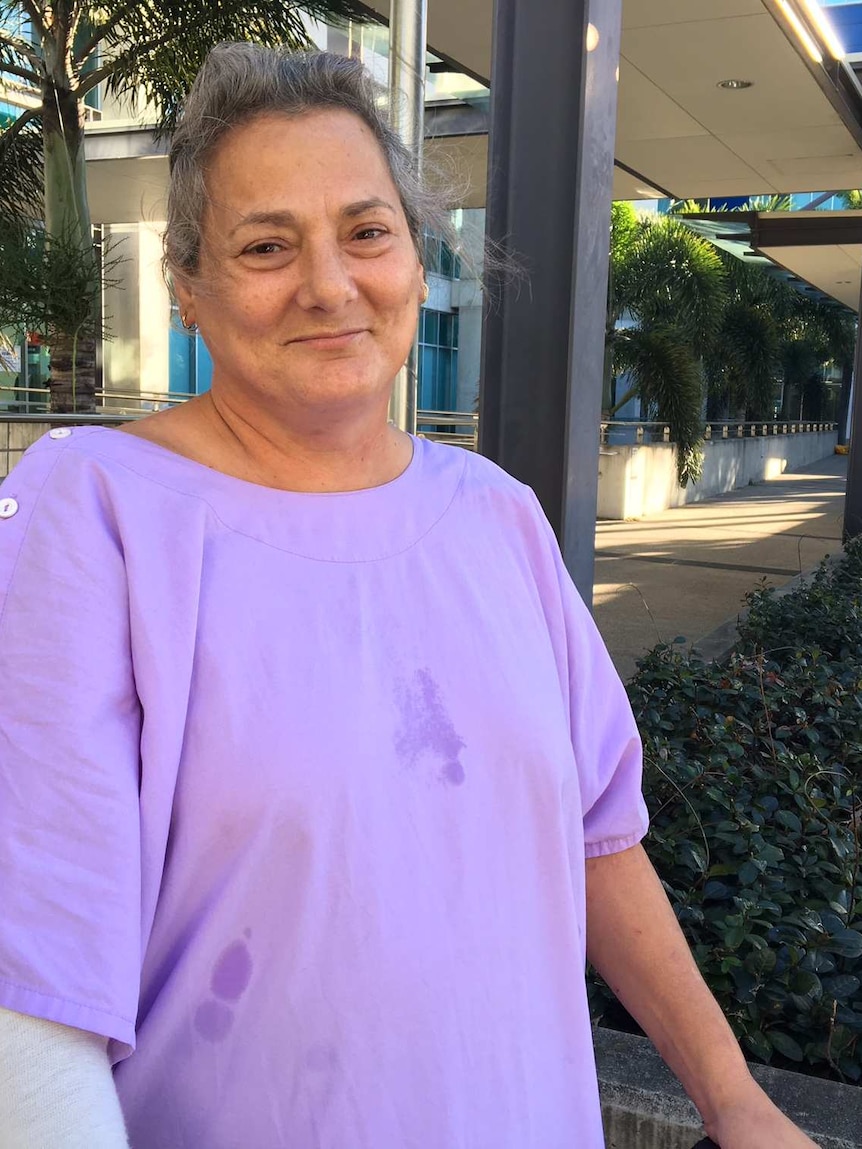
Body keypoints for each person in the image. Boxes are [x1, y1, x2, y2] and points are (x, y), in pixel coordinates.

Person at [0, 42, 818, 1149]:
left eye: (366, 232)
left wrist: (734, 1101)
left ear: (420, 264)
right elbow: (32, 988)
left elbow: (596, 840)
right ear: (186, 286)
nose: (329, 284)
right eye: (265, 245)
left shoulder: (496, 516)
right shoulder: (93, 512)